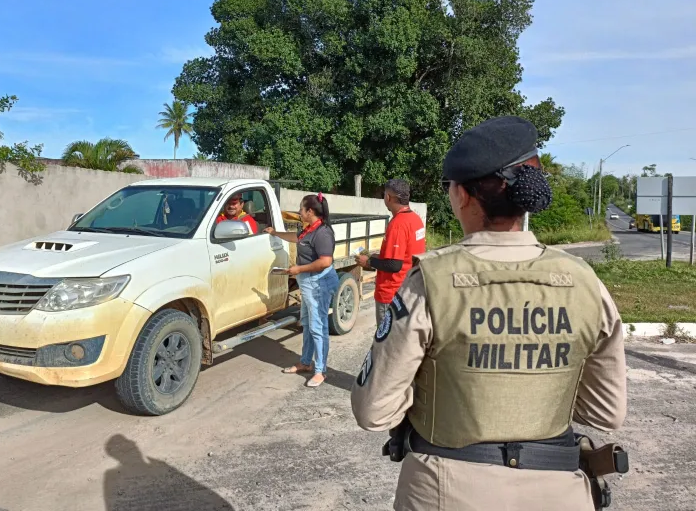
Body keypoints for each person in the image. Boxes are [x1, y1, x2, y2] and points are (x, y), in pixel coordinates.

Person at [350, 116, 627, 511]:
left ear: (462, 195)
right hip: (559, 493)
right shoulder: (585, 283)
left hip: (444, 490)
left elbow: (374, 410)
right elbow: (605, 412)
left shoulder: (430, 280)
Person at [264, 193, 340, 388]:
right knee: (307, 323)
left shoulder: (322, 233)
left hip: (318, 283)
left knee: (318, 326)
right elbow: (295, 238)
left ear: (310, 211)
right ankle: (306, 362)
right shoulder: (309, 230)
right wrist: (275, 233)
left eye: (301, 208)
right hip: (308, 283)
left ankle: (321, 370)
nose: (299, 212)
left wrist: (299, 269)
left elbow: (325, 262)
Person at [356, 179, 426, 325]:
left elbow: (394, 265)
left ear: (388, 197)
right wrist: (377, 257)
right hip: (409, 291)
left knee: (386, 343)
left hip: (391, 295)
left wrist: (368, 261)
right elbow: (405, 256)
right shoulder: (416, 219)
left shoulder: (398, 224)